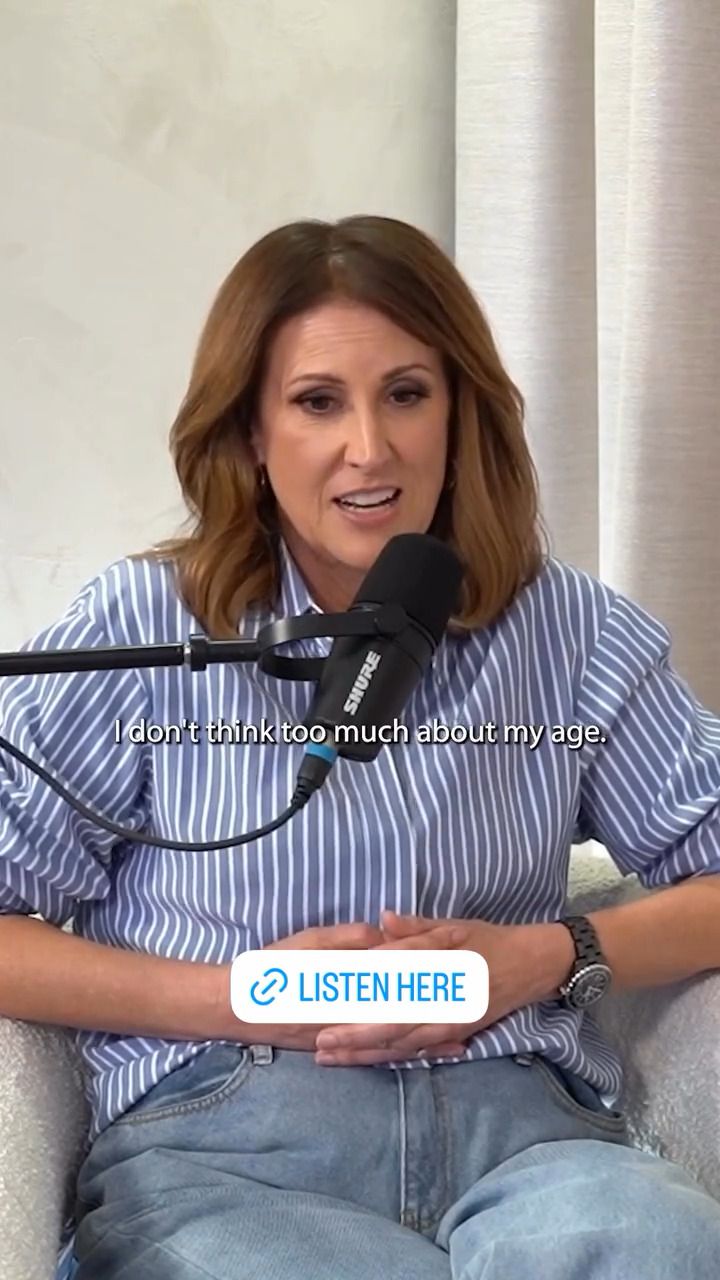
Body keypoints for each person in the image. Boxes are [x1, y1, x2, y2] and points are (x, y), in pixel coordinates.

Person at [1, 215, 719, 1280]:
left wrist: (548, 955)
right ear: (251, 432)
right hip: (229, 1143)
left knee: (663, 1247)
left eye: (407, 394)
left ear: (459, 413)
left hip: (526, 1130)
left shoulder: (572, 632)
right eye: (317, 401)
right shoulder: (147, 627)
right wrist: (241, 995)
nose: (371, 449)